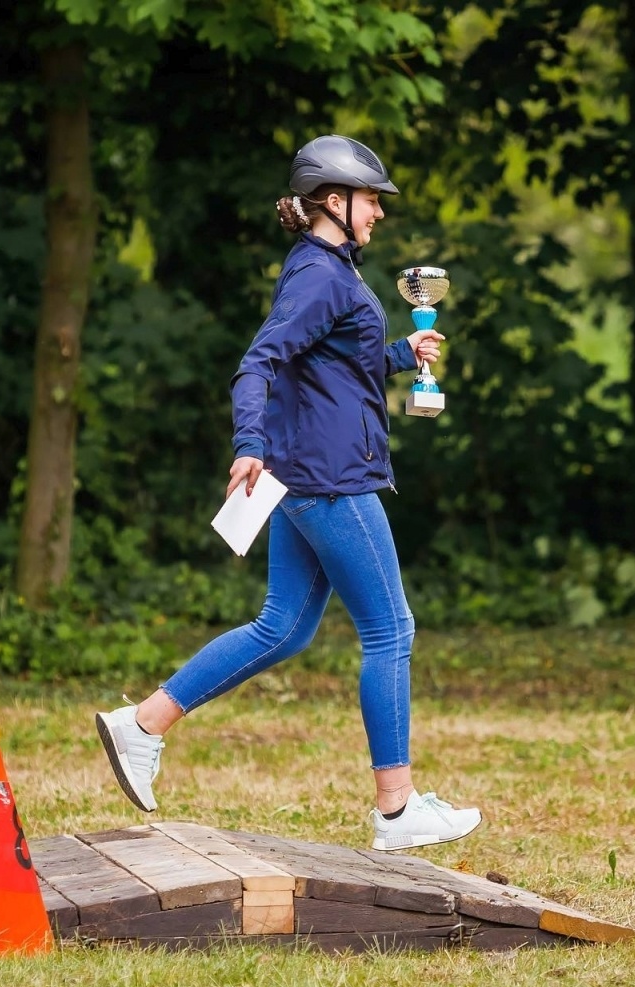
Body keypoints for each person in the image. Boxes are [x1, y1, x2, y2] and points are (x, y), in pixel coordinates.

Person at [95, 134, 482, 852]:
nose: (380, 215)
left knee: (283, 627)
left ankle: (142, 724)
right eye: (372, 201)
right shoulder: (320, 275)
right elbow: (260, 361)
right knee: (391, 631)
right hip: (331, 480)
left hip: (305, 474)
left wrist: (404, 356)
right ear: (333, 201)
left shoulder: (327, 267)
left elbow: (337, 364)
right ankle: (397, 812)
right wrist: (247, 442)